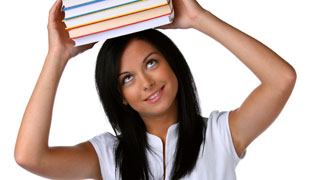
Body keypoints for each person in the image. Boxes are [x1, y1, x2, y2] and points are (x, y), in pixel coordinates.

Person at [14, 0, 296, 179]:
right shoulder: (107, 156)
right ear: (120, 97)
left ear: (172, 64)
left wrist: (200, 19)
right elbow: (29, 157)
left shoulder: (220, 136)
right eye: (127, 78)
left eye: (151, 63)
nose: (146, 83)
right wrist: (57, 55)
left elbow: (281, 79)